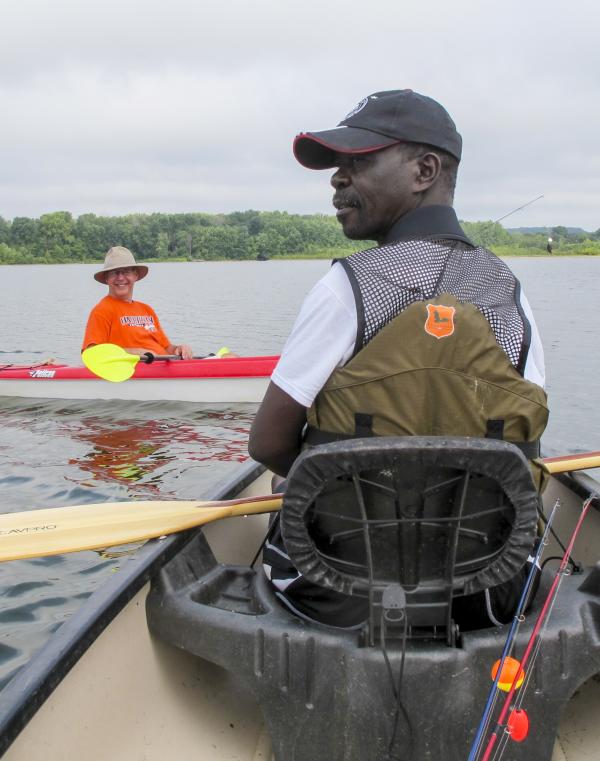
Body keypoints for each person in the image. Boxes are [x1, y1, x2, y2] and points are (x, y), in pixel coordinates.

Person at [248, 89, 549, 627]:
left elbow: (268, 442)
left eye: (358, 162)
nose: (338, 178)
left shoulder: (347, 287)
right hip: (487, 595)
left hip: (340, 590)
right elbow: (524, 450)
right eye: (339, 165)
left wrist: (324, 482)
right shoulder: (510, 293)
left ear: (424, 170)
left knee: (283, 482)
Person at [82, 246, 194, 359]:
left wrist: (178, 349)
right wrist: (133, 353)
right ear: (106, 278)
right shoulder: (102, 310)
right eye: (114, 273)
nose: (120, 277)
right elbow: (91, 353)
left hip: (166, 366)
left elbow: (167, 348)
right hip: (137, 371)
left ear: (135, 275)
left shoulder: (147, 309)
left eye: (126, 272)